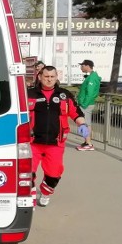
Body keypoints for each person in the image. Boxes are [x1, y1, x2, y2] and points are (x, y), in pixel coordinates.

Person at [28, 65, 90, 207]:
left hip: (56, 144)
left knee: (54, 174)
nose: (49, 80)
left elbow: (76, 113)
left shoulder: (65, 95)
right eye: (46, 77)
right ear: (40, 77)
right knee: (26, 172)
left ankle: (45, 192)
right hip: (32, 142)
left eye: (52, 77)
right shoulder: (29, 94)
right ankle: (29, 193)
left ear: (56, 77)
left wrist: (82, 125)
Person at [76, 59, 101, 151]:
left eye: (82, 66)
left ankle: (89, 143)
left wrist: (84, 103)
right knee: (86, 123)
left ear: (87, 66)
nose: (81, 67)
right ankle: (87, 142)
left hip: (86, 104)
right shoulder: (91, 77)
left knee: (86, 123)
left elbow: (90, 93)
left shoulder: (92, 78)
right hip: (86, 103)